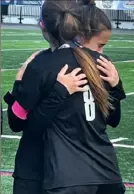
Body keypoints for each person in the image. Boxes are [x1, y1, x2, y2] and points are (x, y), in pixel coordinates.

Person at [4, 0, 126, 193]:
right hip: (104, 172)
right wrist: (117, 87)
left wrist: (18, 85)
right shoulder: (103, 63)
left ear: (42, 24)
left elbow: (18, 123)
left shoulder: (40, 65)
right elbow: (114, 119)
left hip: (51, 173)